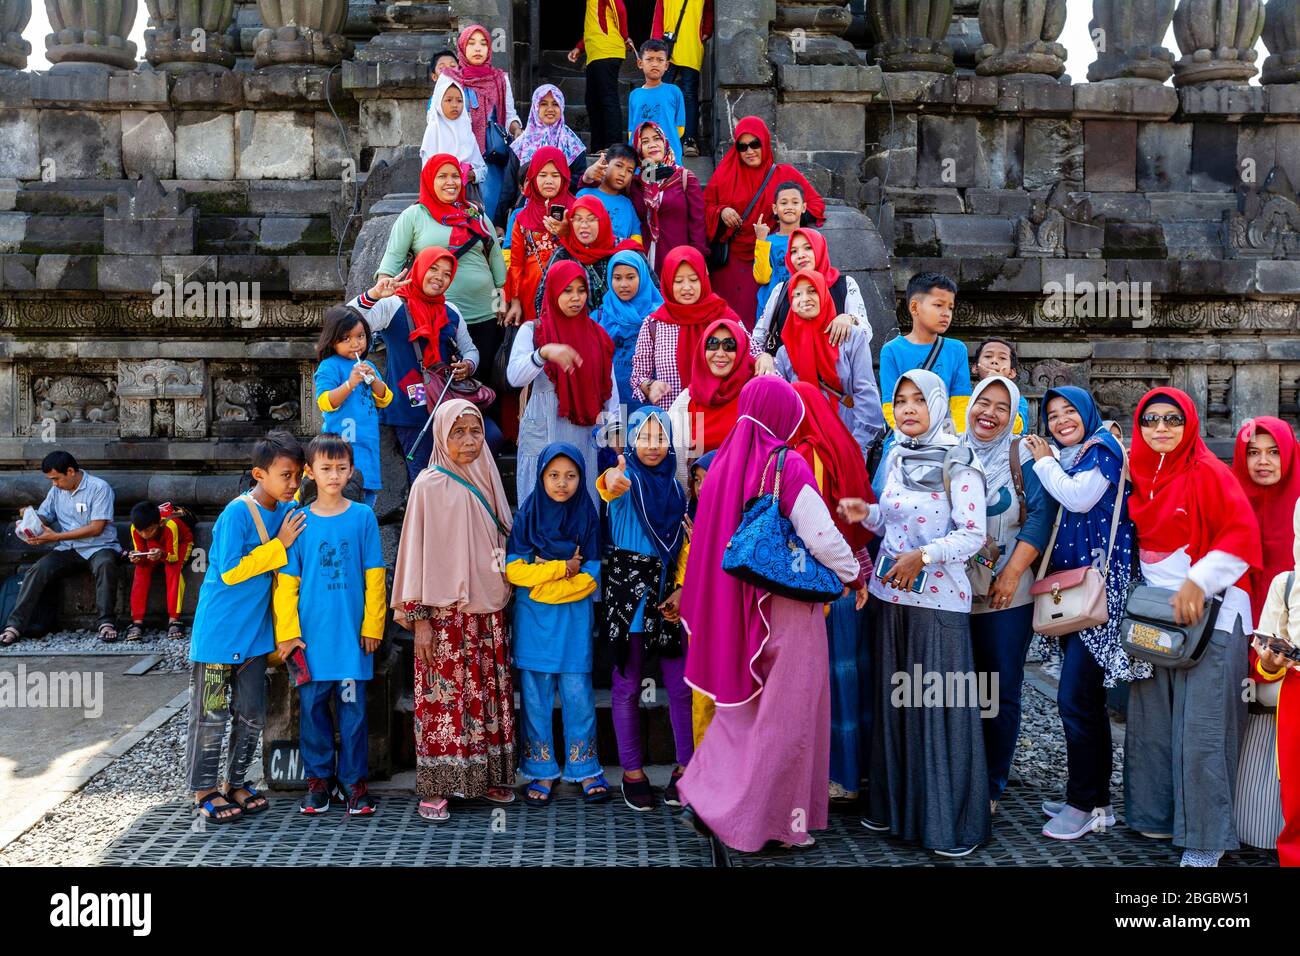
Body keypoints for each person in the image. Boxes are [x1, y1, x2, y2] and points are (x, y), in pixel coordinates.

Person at [676, 376, 863, 853]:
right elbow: (820, 536)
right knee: (788, 718)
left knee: (743, 712)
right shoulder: (788, 462)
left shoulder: (720, 465)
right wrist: (851, 575)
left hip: (736, 608)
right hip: (785, 605)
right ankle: (776, 822)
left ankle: (707, 795)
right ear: (785, 414)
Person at [839, 370, 989, 858]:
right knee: (896, 708)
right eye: (900, 400)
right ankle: (899, 812)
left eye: (917, 401)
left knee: (937, 709)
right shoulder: (896, 453)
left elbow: (972, 534)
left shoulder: (958, 458)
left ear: (938, 404)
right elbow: (892, 516)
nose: (907, 409)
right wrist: (868, 513)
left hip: (938, 602)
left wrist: (922, 558)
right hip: (891, 597)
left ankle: (946, 824)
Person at [1124, 387, 1262, 867]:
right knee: (1153, 722)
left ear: (1190, 424)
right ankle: (1157, 817)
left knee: (1202, 728)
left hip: (1213, 614)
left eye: (1172, 419)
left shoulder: (1207, 471)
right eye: (1151, 420)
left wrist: (1198, 583)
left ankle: (1207, 839)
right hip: (1159, 614)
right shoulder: (1139, 472)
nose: (1161, 428)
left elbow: (1241, 535)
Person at [1022, 387, 1139, 840]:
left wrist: (1043, 459)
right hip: (1078, 596)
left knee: (1074, 700)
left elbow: (1079, 499)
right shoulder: (1078, 454)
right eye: (1052, 415)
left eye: (1070, 410)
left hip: (1101, 599)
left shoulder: (1102, 450)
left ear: (1089, 412)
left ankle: (1083, 803)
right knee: (1085, 702)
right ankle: (1097, 802)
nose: (1060, 420)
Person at [391, 400, 516, 821]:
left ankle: (488, 776)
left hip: (486, 612)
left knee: (487, 696)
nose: (468, 441)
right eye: (458, 432)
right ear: (441, 436)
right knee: (445, 702)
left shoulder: (489, 476)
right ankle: (440, 784)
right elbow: (413, 555)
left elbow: (502, 540)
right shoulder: (427, 485)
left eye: (475, 431)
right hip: (442, 617)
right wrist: (420, 620)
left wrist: (504, 585)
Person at [186, 432, 308, 823]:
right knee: (211, 716)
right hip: (219, 635)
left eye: (297, 476)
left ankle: (236, 783)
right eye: (286, 476)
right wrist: (281, 545)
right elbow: (231, 570)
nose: (293, 484)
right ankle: (204, 789)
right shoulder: (238, 512)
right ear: (260, 473)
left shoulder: (289, 509)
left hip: (256, 636)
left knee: (252, 713)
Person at [273, 434, 386, 816]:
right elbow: (287, 585)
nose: (334, 475)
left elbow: (374, 575)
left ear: (352, 470)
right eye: (325, 468)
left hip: (353, 640)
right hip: (311, 643)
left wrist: (373, 625)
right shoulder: (298, 521)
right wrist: (288, 633)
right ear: (310, 472)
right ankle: (318, 781)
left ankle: (354, 783)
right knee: (313, 711)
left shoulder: (363, 517)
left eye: (341, 468)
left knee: (353, 715)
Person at [961, 377, 1056, 813]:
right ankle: (961, 769)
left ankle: (993, 782)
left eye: (1002, 406)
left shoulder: (1023, 459)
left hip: (1006, 596)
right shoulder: (951, 451)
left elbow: (1039, 518)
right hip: (956, 592)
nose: (990, 413)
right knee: (959, 685)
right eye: (984, 402)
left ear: (1013, 413)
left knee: (998, 687)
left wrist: (1011, 573)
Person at [597, 409, 692, 811]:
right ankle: (632, 773)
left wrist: (683, 590)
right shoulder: (626, 479)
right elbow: (608, 486)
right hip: (629, 596)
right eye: (644, 437)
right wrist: (611, 479)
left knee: (681, 687)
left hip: (668, 596)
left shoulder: (674, 487)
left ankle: (687, 768)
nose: (652, 446)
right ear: (632, 440)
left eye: (660, 437)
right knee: (628, 684)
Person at [506, 444, 609, 804]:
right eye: (553, 475)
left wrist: (545, 588)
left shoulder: (587, 517)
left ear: (582, 478)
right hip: (534, 626)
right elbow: (514, 570)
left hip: (571, 622)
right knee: (534, 696)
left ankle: (585, 767)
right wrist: (562, 569)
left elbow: (593, 575)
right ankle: (540, 769)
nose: (561, 484)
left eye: (570, 476)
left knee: (578, 695)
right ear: (540, 477)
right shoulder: (527, 517)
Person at [790, 381, 873, 802]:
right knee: (852, 676)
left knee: (829, 681)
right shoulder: (843, 445)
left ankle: (835, 774)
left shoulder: (805, 454)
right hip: (857, 569)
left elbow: (813, 530)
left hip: (826, 581)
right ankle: (856, 770)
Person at [348, 246, 483, 481]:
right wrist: (374, 295)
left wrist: (468, 365)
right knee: (422, 472)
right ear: (419, 268)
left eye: (447, 274)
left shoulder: (451, 311)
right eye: (433, 269)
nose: (439, 278)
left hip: (445, 403)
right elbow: (347, 321)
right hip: (407, 404)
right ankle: (424, 517)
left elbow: (470, 349)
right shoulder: (393, 305)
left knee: (455, 471)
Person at [376, 154, 506, 394]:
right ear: (429, 180)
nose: (451, 182)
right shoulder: (414, 216)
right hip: (437, 318)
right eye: (442, 176)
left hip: (484, 314)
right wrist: (381, 300)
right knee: (441, 387)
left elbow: (496, 260)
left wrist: (501, 302)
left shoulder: (476, 214)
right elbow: (390, 265)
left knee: (483, 385)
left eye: (455, 176)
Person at [1231, 416, 1300, 850]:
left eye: (1273, 451)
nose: (1263, 461)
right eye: (1253, 452)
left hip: (1288, 635)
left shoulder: (1299, 503)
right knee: (1245, 719)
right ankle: (1252, 822)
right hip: (1240, 629)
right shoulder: (1231, 498)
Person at [508, 259, 619, 505]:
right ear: (553, 291)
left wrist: (613, 436)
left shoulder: (597, 336)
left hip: (582, 434)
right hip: (542, 431)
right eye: (567, 290)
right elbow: (514, 377)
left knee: (580, 498)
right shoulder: (534, 331)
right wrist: (542, 354)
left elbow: (610, 394)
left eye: (581, 291)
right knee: (539, 502)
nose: (575, 298)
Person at [703, 116, 825, 324]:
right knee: (726, 320)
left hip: (768, 256)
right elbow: (704, 207)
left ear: (765, 143)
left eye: (755, 144)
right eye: (743, 147)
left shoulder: (783, 174)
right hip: (730, 261)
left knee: (759, 316)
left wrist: (782, 221)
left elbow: (814, 204)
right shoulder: (725, 173)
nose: (749, 151)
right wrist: (721, 212)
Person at [3, 451, 122, 646]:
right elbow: (44, 516)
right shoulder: (56, 491)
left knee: (106, 564)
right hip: (69, 548)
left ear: (70, 471)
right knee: (38, 569)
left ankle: (106, 623)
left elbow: (96, 528)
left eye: (56, 478)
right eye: (51, 480)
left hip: (99, 546)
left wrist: (55, 536)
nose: (54, 484)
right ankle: (14, 626)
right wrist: (27, 521)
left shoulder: (99, 488)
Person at [874, 271, 972, 495]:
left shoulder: (956, 350)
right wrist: (909, 434)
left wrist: (958, 438)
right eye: (938, 305)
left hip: (944, 437)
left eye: (950, 307)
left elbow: (960, 401)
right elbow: (889, 403)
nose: (946, 313)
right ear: (915, 308)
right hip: (904, 437)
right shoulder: (892, 351)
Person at [773, 268, 884, 461]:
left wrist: (855, 447)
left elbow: (866, 394)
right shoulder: (785, 352)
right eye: (796, 294)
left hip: (847, 442)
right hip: (804, 451)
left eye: (812, 290)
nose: (804, 298)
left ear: (824, 293)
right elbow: (781, 408)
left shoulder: (850, 338)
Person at [1250, 499, 1300, 865]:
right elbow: (1265, 662)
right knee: (1297, 804)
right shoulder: (1287, 584)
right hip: (1296, 699)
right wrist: (1270, 662)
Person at [631, 246, 736, 410]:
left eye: (694, 280)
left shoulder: (723, 316)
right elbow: (638, 376)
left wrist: (764, 357)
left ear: (703, 278)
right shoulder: (654, 324)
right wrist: (650, 386)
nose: (687, 287)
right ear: (667, 281)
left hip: (717, 421)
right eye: (678, 281)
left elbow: (753, 353)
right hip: (673, 422)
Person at [313, 306, 392, 507]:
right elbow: (324, 402)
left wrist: (373, 380)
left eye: (360, 336)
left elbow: (385, 399)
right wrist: (350, 383)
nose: (355, 343)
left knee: (366, 504)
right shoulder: (329, 366)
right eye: (346, 339)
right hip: (339, 454)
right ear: (333, 341)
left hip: (367, 450)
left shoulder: (369, 366)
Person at [445, 24, 522, 226]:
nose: (478, 48)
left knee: (488, 212)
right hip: (458, 157)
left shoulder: (500, 79)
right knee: (459, 213)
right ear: (462, 47)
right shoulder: (451, 79)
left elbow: (509, 115)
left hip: (491, 158)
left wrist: (517, 129)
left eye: (483, 43)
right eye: (471, 43)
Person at [667, 317, 756, 487]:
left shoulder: (755, 395)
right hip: (701, 502)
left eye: (729, 345)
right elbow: (675, 464)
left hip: (746, 501)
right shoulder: (687, 401)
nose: (720, 353)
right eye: (712, 344)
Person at [752, 227, 864, 362]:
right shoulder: (781, 291)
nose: (800, 255)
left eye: (808, 248)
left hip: (838, 374)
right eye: (794, 251)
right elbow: (757, 339)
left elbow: (865, 333)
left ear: (820, 249)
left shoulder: (844, 285)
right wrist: (764, 359)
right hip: (787, 376)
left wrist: (849, 319)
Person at [504, 146, 575, 327]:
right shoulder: (521, 218)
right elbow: (516, 264)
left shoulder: (577, 210)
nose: (549, 181)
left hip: (570, 291)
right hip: (530, 293)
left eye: (555, 175)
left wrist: (567, 233)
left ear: (565, 177)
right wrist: (515, 301)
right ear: (533, 179)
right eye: (542, 175)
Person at [623, 121, 707, 272]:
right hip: (644, 264)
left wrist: (696, 260)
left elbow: (698, 225)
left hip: (679, 263)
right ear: (638, 148)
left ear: (665, 142)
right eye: (645, 141)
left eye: (657, 138)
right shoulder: (635, 184)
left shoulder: (684, 179)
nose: (653, 144)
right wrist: (587, 178)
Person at [533, 193, 626, 316]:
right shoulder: (563, 254)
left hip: (622, 330)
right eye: (578, 219)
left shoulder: (624, 250)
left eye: (591, 219)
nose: (584, 225)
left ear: (603, 220)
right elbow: (542, 297)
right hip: (577, 331)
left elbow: (652, 290)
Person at [594, 248, 663, 408]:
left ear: (643, 278)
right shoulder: (599, 317)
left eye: (630, 277)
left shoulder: (660, 317)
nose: (623, 284)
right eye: (617, 278)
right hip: (610, 405)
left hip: (650, 405)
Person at [504, 85, 589, 212]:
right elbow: (509, 185)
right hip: (526, 211)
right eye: (543, 104)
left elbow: (580, 180)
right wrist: (499, 222)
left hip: (563, 212)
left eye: (555, 104)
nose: (550, 109)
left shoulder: (572, 144)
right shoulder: (521, 144)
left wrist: (554, 183)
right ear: (535, 107)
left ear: (562, 106)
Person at [567, 0, 636, 151]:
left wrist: (624, 37)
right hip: (595, 53)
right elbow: (593, 25)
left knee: (607, 99)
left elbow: (620, 10)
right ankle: (598, 148)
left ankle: (613, 147)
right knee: (593, 102)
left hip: (607, 50)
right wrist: (579, 48)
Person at [125, 501, 194, 642]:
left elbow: (173, 557)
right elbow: (141, 550)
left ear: (159, 523)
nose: (144, 535)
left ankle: (174, 620)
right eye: (141, 531)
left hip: (180, 543)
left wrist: (162, 554)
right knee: (140, 571)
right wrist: (137, 557)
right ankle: (137, 621)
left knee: (173, 570)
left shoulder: (170, 526)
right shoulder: (135, 528)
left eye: (149, 530)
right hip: (154, 547)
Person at [652, 0, 713, 156]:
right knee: (662, 95)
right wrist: (656, 46)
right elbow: (659, 16)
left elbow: (708, 11)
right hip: (667, 48)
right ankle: (659, 141)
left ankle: (689, 140)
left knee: (688, 95)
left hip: (690, 46)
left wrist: (705, 30)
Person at [418, 73, 487, 195]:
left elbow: (482, 169)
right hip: (439, 193)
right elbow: (426, 170)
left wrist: (472, 175)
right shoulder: (434, 130)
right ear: (439, 102)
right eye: (448, 100)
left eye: (460, 101)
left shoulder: (466, 129)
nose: (455, 105)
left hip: (467, 193)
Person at [752, 181, 806, 324]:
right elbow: (762, 278)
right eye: (784, 203)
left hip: (802, 307)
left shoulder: (810, 239)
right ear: (775, 209)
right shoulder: (767, 241)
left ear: (803, 207)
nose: (789, 207)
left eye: (795, 202)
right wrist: (761, 241)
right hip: (771, 310)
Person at [627, 39, 685, 164]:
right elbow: (632, 131)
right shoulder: (634, 95)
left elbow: (680, 128)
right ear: (640, 63)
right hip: (642, 159)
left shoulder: (674, 91)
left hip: (669, 157)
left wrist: (663, 148)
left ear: (666, 65)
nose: (655, 64)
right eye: (649, 59)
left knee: (669, 183)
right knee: (646, 182)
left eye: (660, 60)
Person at [576, 143, 642, 244]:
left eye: (629, 171)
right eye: (619, 166)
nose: (622, 174)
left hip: (619, 256)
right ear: (605, 164)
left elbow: (636, 237)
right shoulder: (584, 195)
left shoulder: (628, 204)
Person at [972, 337, 1029, 434]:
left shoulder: (1018, 401)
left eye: (1002, 358)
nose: (994, 361)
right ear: (975, 368)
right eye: (988, 356)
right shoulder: (965, 396)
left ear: (1012, 372)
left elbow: (1017, 429)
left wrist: (999, 383)